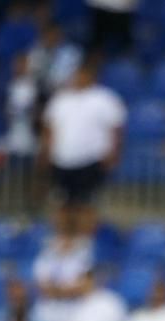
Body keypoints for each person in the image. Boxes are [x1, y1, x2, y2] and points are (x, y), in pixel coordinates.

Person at [42, 57, 125, 238]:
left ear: (91, 76)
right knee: (62, 203)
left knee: (87, 204)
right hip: (62, 160)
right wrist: (47, 153)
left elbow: (116, 129)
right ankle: (63, 240)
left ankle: (84, 242)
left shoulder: (105, 99)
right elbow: (50, 130)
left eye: (81, 74)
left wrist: (113, 152)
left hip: (91, 160)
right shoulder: (60, 100)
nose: (77, 78)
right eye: (75, 75)